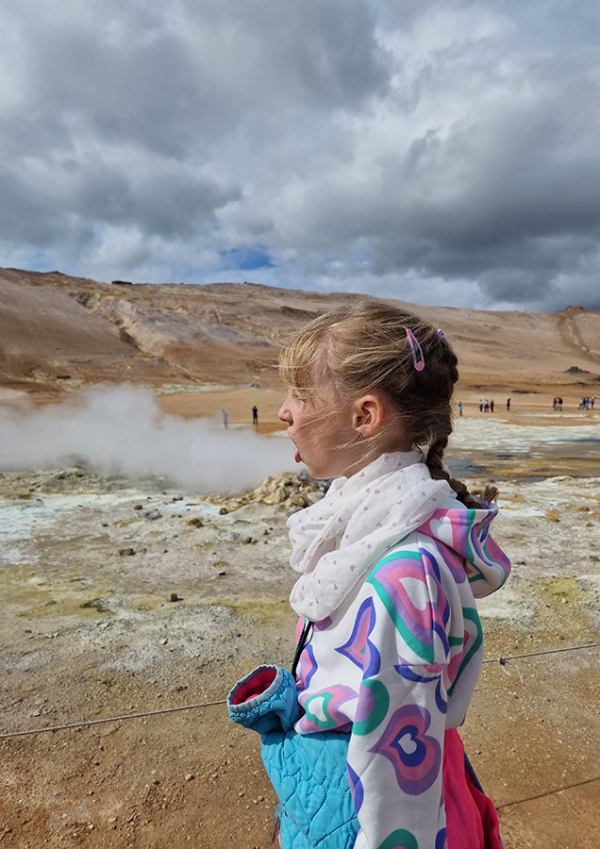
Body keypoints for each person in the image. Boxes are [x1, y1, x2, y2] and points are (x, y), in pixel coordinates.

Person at [228, 301, 510, 849]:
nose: (283, 412)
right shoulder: (357, 530)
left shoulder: (405, 573)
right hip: (333, 800)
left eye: (301, 395)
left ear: (365, 416)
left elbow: (400, 784)